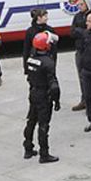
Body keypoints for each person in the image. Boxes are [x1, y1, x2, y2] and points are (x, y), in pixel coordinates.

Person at [24, 32, 61, 164]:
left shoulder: (31, 58)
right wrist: (56, 100)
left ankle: (28, 148)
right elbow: (54, 85)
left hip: (33, 92)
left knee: (31, 120)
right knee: (43, 124)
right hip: (44, 95)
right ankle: (44, 154)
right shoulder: (48, 63)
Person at [71, 0, 91, 112]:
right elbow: (72, 32)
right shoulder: (77, 16)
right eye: (78, 5)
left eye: (81, 4)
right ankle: (84, 99)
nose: (79, 7)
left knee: (90, 77)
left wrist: (80, 31)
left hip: (90, 51)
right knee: (81, 76)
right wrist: (82, 31)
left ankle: (90, 101)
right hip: (79, 50)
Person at [23, 8, 57, 74]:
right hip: (35, 62)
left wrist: (53, 64)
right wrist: (26, 68)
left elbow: (54, 49)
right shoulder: (30, 31)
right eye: (45, 16)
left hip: (47, 61)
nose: (47, 18)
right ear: (39, 18)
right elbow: (26, 50)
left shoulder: (50, 30)